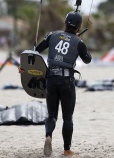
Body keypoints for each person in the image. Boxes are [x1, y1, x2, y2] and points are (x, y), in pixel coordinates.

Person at [19, 11, 92, 157]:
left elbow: (35, 52)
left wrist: (24, 68)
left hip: (51, 79)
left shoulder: (52, 35)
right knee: (67, 118)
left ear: (65, 22)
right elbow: (87, 60)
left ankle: (48, 135)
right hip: (67, 81)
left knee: (52, 115)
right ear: (79, 27)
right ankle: (66, 150)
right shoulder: (79, 42)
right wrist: (78, 43)